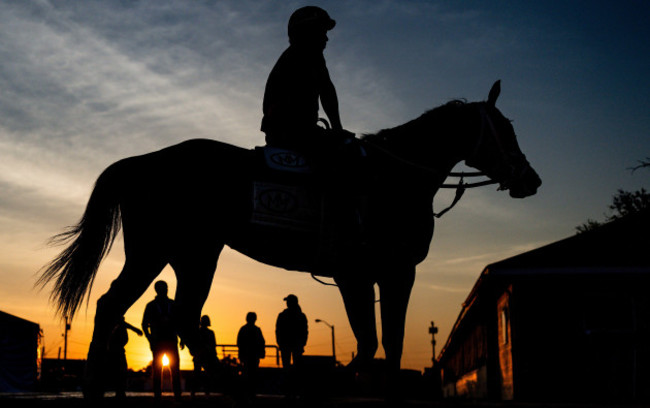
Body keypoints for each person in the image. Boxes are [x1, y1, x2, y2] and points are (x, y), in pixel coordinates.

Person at [261, 6, 354, 155]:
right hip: (290, 133)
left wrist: (337, 130)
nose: (326, 38)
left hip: (296, 130)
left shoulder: (305, 56)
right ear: (307, 32)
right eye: (322, 32)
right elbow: (326, 91)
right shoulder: (303, 56)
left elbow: (326, 90)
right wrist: (337, 130)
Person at [142, 280, 182, 400]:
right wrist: (150, 339)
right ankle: (158, 396)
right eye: (163, 288)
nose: (165, 290)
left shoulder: (173, 304)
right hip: (158, 341)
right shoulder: (151, 306)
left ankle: (177, 395)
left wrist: (182, 339)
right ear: (157, 290)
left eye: (165, 287)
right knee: (158, 370)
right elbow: (144, 324)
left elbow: (180, 323)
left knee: (175, 370)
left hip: (171, 341)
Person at [107, 316, 143, 399]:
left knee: (121, 371)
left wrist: (135, 329)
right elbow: (124, 324)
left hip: (119, 350)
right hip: (115, 350)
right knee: (119, 371)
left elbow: (125, 325)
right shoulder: (116, 324)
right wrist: (135, 329)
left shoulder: (120, 324)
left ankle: (120, 392)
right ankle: (119, 392)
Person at [236, 312, 266, 399]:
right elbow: (262, 342)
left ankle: (246, 392)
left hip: (246, 356)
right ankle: (251, 392)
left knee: (246, 374)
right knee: (253, 374)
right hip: (254, 356)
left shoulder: (243, 329)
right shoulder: (257, 330)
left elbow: (239, 342)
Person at [275, 294, 308, 370]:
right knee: (296, 366)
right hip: (294, 345)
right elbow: (305, 331)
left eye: (288, 301)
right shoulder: (301, 316)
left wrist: (280, 342)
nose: (287, 303)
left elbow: (278, 330)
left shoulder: (282, 315)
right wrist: (303, 343)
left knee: (289, 366)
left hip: (288, 345)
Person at [190, 315, 220, 397]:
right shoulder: (207, 333)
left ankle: (196, 392)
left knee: (201, 375)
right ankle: (199, 391)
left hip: (204, 357)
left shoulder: (199, 332)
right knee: (202, 375)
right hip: (203, 356)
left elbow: (213, 345)